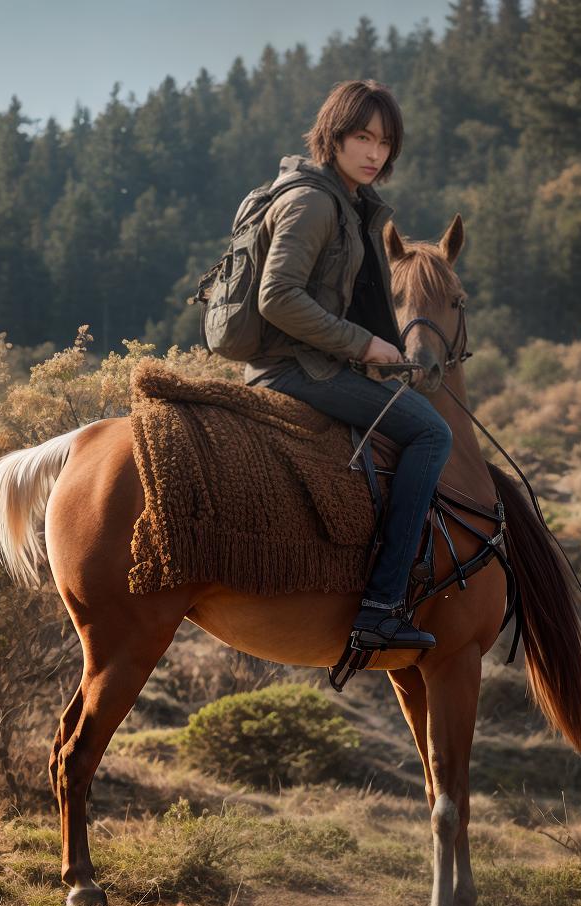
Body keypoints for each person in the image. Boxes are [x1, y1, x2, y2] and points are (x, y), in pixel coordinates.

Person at [246, 79, 453, 652]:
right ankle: (382, 606)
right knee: (432, 433)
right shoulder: (312, 201)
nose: (374, 153)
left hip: (308, 361)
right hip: (291, 369)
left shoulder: (345, 202)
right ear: (333, 137)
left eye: (385, 143)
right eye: (362, 137)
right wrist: (363, 346)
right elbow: (278, 298)